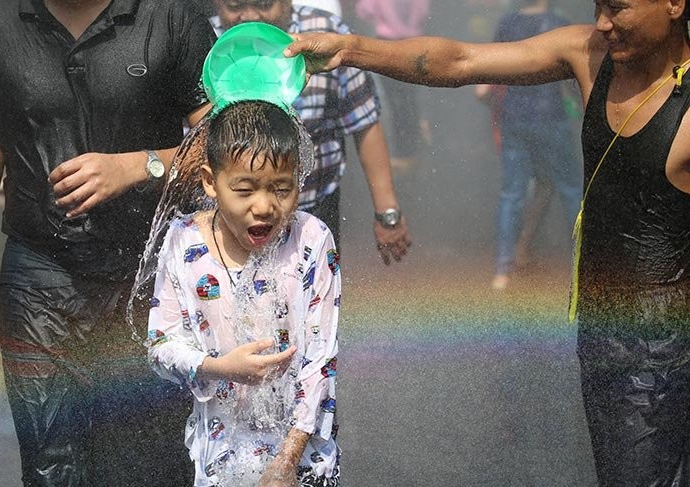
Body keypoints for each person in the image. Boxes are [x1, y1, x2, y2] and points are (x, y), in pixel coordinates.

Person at [285, 1, 690, 485]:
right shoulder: (591, 54)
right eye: (598, 5)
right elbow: (459, 62)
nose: (602, 21)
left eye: (618, 8)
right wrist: (351, 49)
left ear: (673, 4)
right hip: (602, 337)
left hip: (665, 350)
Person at [0, 0, 216, 483]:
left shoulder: (170, 18)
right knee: (50, 463)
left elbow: (227, 141)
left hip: (151, 273)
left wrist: (139, 165)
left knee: (151, 459)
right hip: (39, 275)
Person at [147, 100, 340, 487]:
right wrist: (218, 368)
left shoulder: (311, 239)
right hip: (221, 462)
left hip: (303, 459)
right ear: (209, 181)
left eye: (281, 189)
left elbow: (322, 360)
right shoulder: (184, 242)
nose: (265, 207)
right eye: (245, 190)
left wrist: (288, 461)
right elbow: (160, 344)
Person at [211, 0, 411, 264]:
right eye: (235, 6)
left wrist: (387, 212)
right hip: (225, 219)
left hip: (312, 210)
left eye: (263, 4)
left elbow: (363, 123)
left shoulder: (325, 33)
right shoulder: (203, 40)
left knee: (314, 301)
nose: (249, 16)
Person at [473, 0, 582, 290]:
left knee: (512, 193)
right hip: (551, 119)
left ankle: (502, 270)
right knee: (571, 190)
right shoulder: (560, 24)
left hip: (516, 120)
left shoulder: (508, 23)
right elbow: (574, 80)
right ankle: (583, 266)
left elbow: (487, 79)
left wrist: (491, 100)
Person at [355, 0, 430, 174]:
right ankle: (411, 149)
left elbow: (364, 11)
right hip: (414, 43)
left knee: (393, 102)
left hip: (387, 44)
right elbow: (424, 12)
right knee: (410, 98)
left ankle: (398, 151)